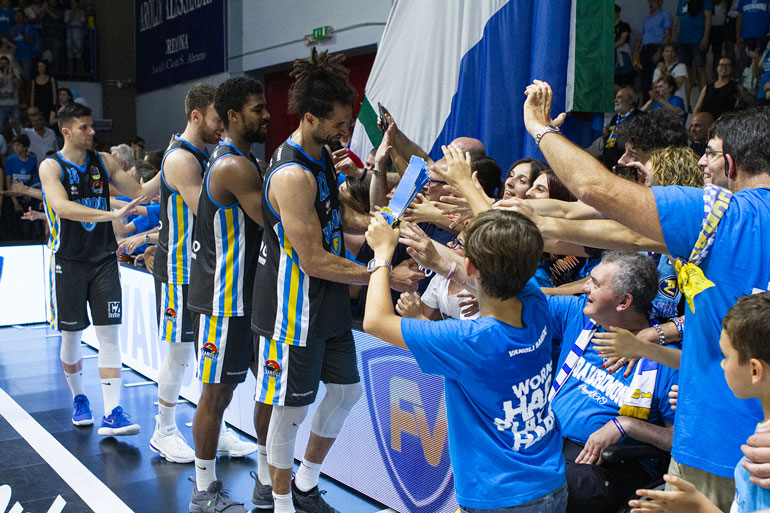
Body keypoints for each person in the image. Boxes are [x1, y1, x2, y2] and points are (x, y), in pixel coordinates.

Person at [522, 80, 770, 512]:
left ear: (730, 165)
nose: (703, 162)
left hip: (716, 448)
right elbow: (578, 216)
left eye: (711, 154)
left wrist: (539, 127)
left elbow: (594, 189)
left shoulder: (721, 214)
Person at [363, 204, 567, 513]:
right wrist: (436, 256)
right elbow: (502, 258)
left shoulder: (468, 339)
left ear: (469, 266)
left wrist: (382, 254)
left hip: (499, 498)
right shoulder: (535, 300)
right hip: (551, 481)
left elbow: (376, 321)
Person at [252, 48, 369, 513]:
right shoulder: (292, 174)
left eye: (348, 122)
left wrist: (382, 223)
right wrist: (380, 273)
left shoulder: (322, 154)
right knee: (290, 410)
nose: (345, 132)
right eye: (338, 124)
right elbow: (313, 259)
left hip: (327, 301)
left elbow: (336, 213)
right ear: (309, 117)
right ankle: (280, 504)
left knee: (346, 391)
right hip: (291, 308)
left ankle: (305, 483)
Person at [39, 102, 159, 437]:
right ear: (66, 131)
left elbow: (140, 193)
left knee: (109, 334)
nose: (92, 132)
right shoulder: (51, 166)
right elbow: (62, 207)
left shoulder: (103, 161)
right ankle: (79, 398)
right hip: (68, 261)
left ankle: (112, 411)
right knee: (71, 337)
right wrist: (111, 215)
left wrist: (172, 162)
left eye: (91, 126)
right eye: (84, 127)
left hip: (104, 258)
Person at [186, 77, 270, 512]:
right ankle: (204, 490)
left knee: (272, 390)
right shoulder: (231, 165)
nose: (268, 115)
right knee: (217, 396)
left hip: (255, 297)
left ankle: (268, 482)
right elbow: (275, 221)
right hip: (224, 301)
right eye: (258, 109)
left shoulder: (250, 159)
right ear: (234, 116)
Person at [547, 252, 678, 513]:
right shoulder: (578, 315)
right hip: (548, 447)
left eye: (595, 283)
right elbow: (519, 300)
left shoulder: (666, 361)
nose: (585, 287)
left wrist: (626, 425)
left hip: (606, 468)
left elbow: (678, 440)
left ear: (624, 302)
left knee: (541, 489)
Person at [150, 83, 232, 465]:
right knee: (181, 352)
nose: (222, 125)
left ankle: (217, 429)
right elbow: (209, 212)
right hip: (177, 269)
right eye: (217, 117)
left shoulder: (204, 154)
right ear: (196, 116)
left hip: (202, 269)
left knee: (207, 354)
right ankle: (163, 431)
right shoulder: (182, 158)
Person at [630, 293, 770, 513]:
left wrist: (700, 506)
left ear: (754, 370)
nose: (722, 364)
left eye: (725, 356)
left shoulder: (762, 453)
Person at [674, 0, 713, 109]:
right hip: (682, 40)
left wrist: (706, 37)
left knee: (700, 70)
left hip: (697, 39)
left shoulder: (705, 1)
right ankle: (687, 104)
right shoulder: (682, 1)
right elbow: (679, 21)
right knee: (686, 73)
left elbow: (708, 18)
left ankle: (704, 102)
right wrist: (676, 38)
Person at [634, 0, 674, 103]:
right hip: (645, 49)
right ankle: (646, 102)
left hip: (656, 47)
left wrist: (660, 51)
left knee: (657, 77)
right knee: (644, 78)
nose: (650, 4)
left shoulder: (665, 15)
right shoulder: (646, 18)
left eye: (653, 1)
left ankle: (658, 103)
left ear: (659, 2)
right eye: (649, 1)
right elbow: (640, 36)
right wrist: (636, 51)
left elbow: (668, 35)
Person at [600, 87, 641, 169]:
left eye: (619, 97)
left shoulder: (639, 117)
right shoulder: (615, 118)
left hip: (625, 162)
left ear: (630, 100)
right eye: (615, 98)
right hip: (609, 158)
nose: (615, 101)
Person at [0, 55, 19, 136]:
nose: (3, 65)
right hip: (1, 105)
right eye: (1, 63)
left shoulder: (14, 74)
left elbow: (18, 85)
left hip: (14, 104)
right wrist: (4, 74)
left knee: (17, 128)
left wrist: (12, 74)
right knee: (0, 127)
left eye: (5, 64)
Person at [615, 5, 634, 87]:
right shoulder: (607, 28)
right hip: (613, 58)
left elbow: (622, 41)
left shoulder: (624, 25)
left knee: (626, 81)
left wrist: (610, 47)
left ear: (618, 13)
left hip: (623, 54)